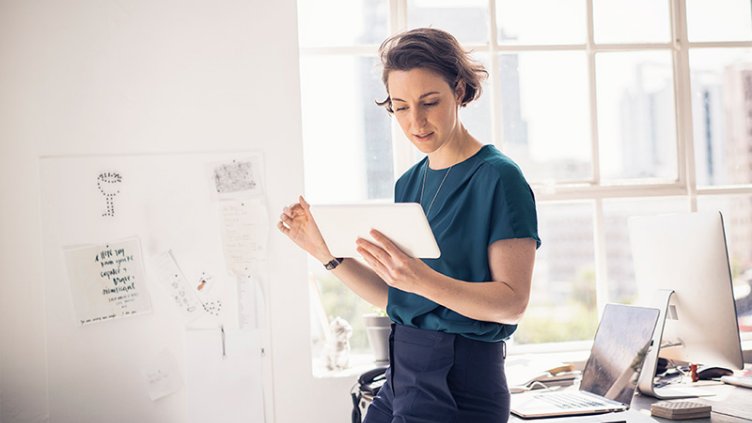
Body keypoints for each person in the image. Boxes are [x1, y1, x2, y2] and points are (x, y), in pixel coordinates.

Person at [278, 27, 540, 423]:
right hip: (403, 373)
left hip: (461, 381)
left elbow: (512, 303)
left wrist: (421, 280)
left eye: (429, 102)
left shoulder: (499, 178)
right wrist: (324, 253)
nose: (415, 121)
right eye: (400, 107)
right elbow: (397, 298)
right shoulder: (410, 182)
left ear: (459, 91)